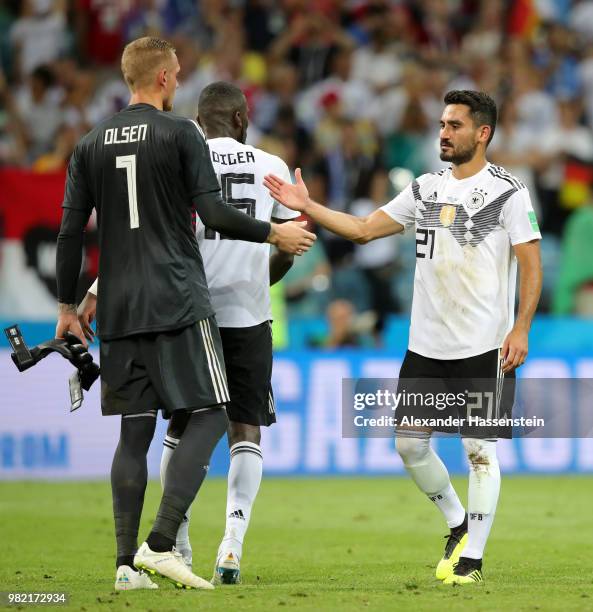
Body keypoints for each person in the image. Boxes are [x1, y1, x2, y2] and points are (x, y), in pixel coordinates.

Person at [55, 37, 315, 592]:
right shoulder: (180, 137)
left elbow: (73, 231)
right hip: (183, 300)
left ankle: (129, 565)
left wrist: (69, 305)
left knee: (138, 432)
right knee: (222, 413)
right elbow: (214, 212)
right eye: (175, 70)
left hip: (122, 304)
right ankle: (169, 543)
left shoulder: (90, 142)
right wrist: (276, 233)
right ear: (166, 78)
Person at [264, 90, 543, 585]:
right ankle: (458, 524)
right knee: (410, 447)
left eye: (455, 125)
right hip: (426, 346)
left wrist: (520, 327)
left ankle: (472, 561)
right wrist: (308, 205)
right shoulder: (424, 188)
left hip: (485, 345)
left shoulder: (508, 192)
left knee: (479, 452)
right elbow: (364, 229)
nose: (443, 132)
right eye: (442, 124)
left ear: (483, 133)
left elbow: (529, 262)